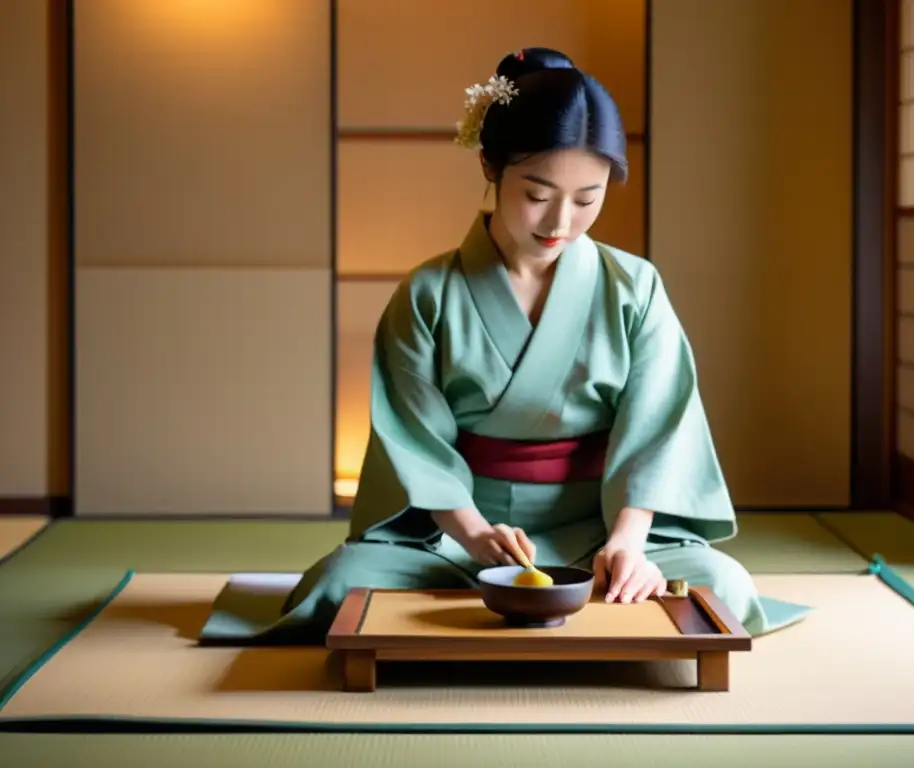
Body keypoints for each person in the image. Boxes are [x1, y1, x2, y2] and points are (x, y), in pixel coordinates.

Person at [199, 47, 810, 645]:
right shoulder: (429, 293)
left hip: (600, 528)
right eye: (538, 195)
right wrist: (472, 533)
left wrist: (628, 541)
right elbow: (412, 438)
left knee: (723, 585)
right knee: (338, 585)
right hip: (460, 535)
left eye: (587, 199)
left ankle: (605, 579)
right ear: (492, 166)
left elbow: (659, 428)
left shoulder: (635, 288)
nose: (560, 222)